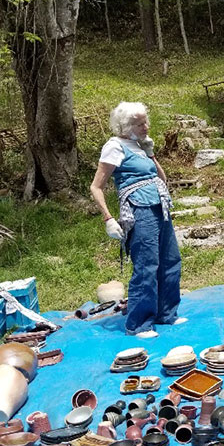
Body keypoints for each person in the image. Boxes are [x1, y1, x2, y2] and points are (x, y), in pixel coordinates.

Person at [90, 102, 186, 338]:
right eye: (140, 123)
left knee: (171, 260)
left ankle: (166, 313)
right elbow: (96, 186)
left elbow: (161, 178)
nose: (146, 126)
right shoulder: (114, 146)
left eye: (146, 121)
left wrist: (151, 153)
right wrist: (108, 219)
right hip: (139, 210)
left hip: (159, 206)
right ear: (125, 125)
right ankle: (139, 323)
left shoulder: (140, 146)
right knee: (146, 265)